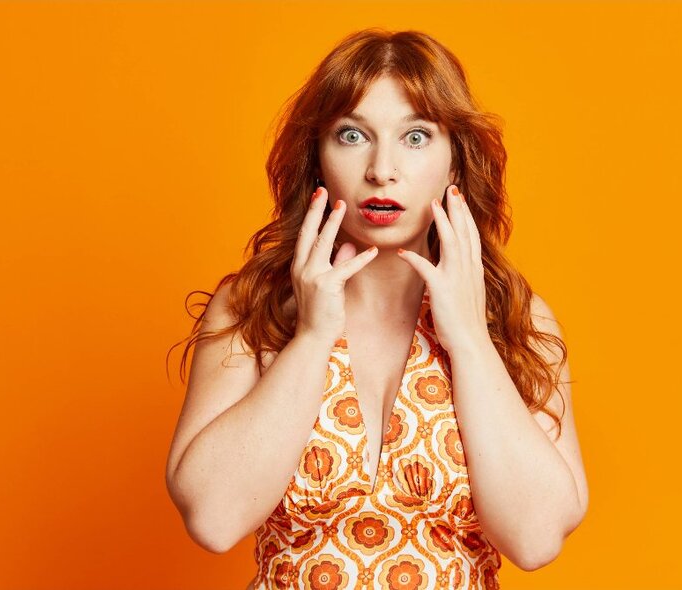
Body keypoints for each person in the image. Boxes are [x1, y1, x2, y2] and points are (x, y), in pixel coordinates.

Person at [165, 28, 588, 589]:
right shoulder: (254, 310)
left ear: (455, 163)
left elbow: (535, 540)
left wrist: (468, 340)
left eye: (416, 136)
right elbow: (215, 521)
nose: (381, 169)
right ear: (316, 159)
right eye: (352, 135)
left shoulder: (513, 316)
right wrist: (313, 337)